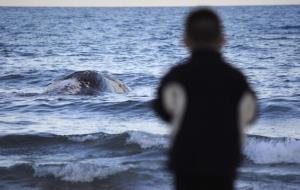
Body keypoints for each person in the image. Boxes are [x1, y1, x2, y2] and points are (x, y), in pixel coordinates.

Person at [153, 8, 257, 190]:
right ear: (222, 39)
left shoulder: (176, 76)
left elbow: (162, 110)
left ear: (185, 40)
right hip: (224, 163)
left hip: (187, 162)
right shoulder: (235, 77)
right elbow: (250, 114)